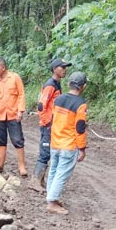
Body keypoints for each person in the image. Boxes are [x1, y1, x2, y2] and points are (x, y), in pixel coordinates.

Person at [46, 72, 88, 215]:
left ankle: (51, 198)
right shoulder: (80, 104)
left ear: (68, 83)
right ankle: (52, 202)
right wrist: (82, 148)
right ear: (83, 87)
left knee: (53, 170)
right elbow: (80, 128)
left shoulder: (58, 99)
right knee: (62, 173)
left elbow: (52, 120)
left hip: (55, 142)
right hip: (68, 145)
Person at [29, 58, 72, 192]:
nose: (65, 70)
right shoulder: (51, 85)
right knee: (45, 152)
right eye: (62, 67)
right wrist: (47, 123)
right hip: (48, 125)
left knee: (48, 152)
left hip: (53, 124)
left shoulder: (57, 84)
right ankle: (34, 181)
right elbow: (41, 105)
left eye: (65, 68)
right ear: (54, 69)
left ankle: (40, 180)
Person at [0, 56, 28, 176]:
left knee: (17, 140)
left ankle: (21, 166)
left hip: (13, 115)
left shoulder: (15, 78)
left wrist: (20, 111)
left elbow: (21, 94)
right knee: (0, 140)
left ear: (3, 68)